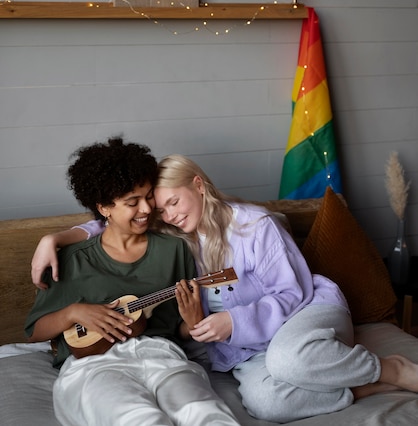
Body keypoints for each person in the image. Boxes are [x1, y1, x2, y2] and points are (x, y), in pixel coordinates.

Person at [31, 153, 418, 424]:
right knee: (266, 403)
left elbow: (291, 292)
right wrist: (59, 236)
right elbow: (114, 225)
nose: (165, 214)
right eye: (158, 208)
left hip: (304, 311)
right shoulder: (171, 235)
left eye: (172, 202)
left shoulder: (255, 225)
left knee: (289, 361)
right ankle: (363, 388)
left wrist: (232, 321)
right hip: (247, 344)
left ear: (198, 185)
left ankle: (390, 368)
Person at [26, 138, 239, 426]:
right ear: (104, 208)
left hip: (162, 355)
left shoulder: (173, 249)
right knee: (139, 419)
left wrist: (192, 322)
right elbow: (35, 331)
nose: (147, 209)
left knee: (205, 413)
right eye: (132, 202)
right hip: (94, 365)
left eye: (148, 196)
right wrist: (73, 312)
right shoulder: (72, 259)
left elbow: (182, 328)